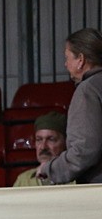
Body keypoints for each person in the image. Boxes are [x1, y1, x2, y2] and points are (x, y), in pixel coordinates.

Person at [39, 28, 102, 185]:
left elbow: (85, 150)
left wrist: (50, 169)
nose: (65, 64)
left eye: (67, 58)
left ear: (80, 60)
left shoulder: (87, 90)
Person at [12, 111, 67, 187]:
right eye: (39, 139)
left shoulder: (76, 178)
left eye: (51, 139)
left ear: (65, 142)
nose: (43, 147)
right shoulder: (24, 180)